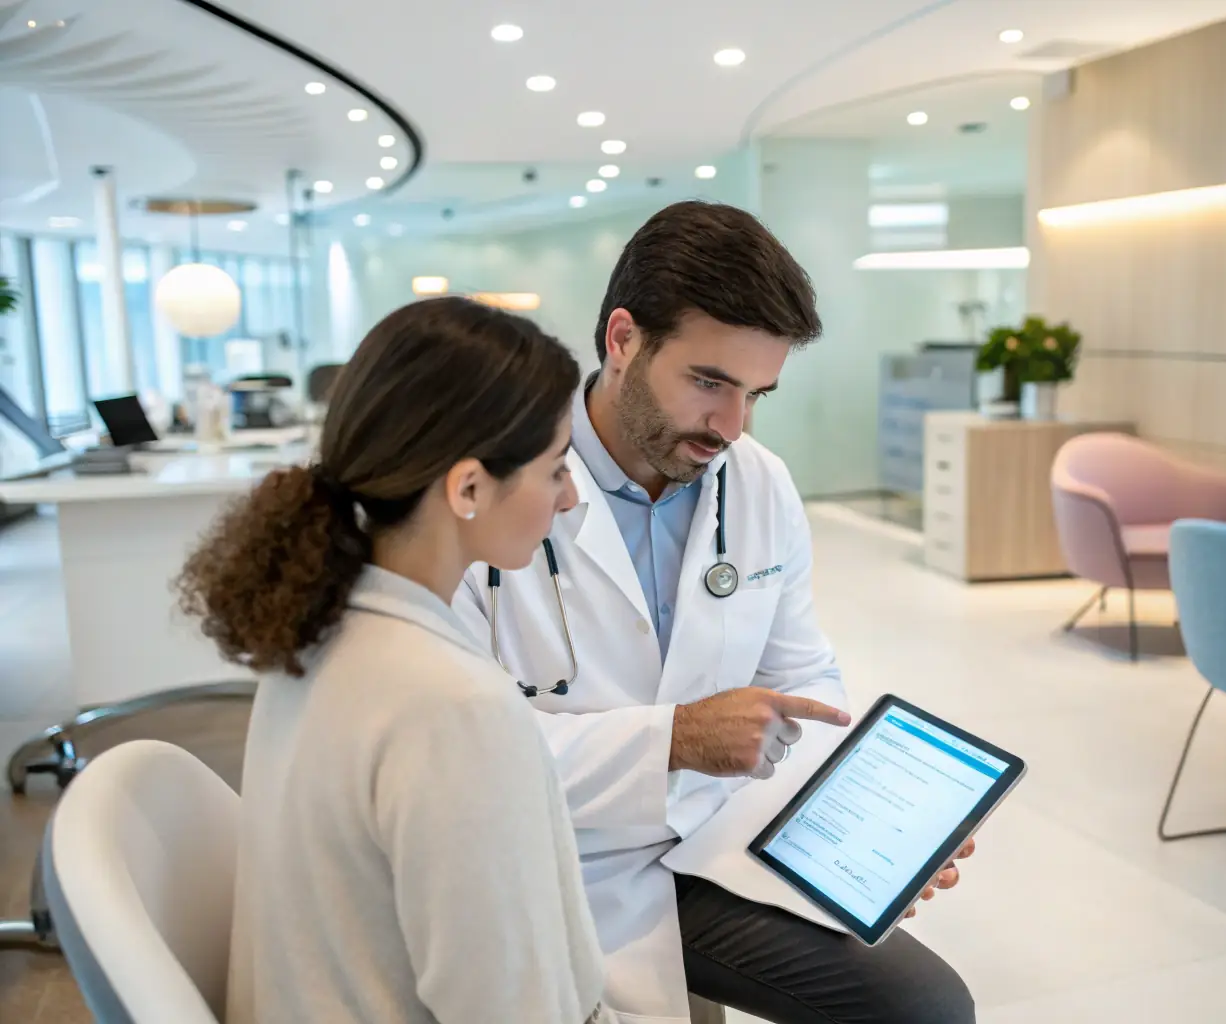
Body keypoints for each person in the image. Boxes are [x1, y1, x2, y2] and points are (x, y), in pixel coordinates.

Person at [452, 201, 976, 1024]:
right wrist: (674, 739)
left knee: (925, 1007)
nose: (731, 427)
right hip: (555, 853)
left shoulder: (757, 480)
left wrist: (859, 835)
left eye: (756, 394)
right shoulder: (497, 486)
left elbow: (802, 677)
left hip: (715, 840)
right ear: (622, 339)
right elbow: (456, 756)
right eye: (709, 383)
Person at [177, 297, 614, 1024]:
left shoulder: (313, 634)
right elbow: (507, 1008)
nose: (568, 499)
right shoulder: (454, 707)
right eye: (555, 469)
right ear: (468, 487)